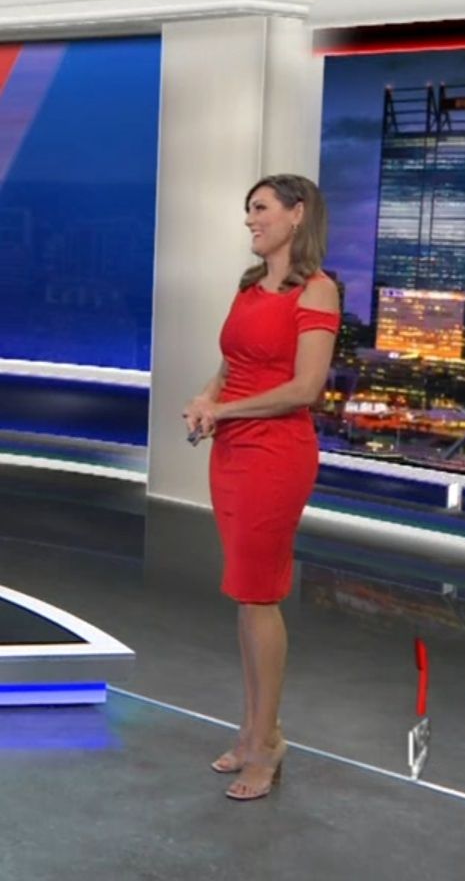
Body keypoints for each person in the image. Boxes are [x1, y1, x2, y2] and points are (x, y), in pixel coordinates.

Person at [183, 173, 340, 802]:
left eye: (260, 208)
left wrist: (225, 410)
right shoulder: (250, 286)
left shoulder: (318, 290)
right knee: (247, 596)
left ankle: (268, 742)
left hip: (276, 454)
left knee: (259, 592)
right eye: (248, 210)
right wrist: (207, 399)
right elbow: (233, 365)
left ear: (297, 215)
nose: (250, 219)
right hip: (231, 450)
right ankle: (253, 731)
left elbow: (306, 388)